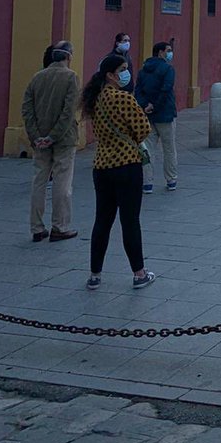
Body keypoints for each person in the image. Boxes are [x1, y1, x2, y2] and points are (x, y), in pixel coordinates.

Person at [81, 53, 155, 290]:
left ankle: (95, 275)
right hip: (127, 164)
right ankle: (139, 272)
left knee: (102, 221)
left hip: (102, 165)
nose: (126, 73)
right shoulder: (123, 98)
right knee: (130, 220)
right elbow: (143, 129)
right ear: (111, 75)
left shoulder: (95, 99)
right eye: (122, 69)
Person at [21, 42, 80, 243]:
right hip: (63, 139)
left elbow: (27, 110)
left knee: (39, 180)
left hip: (39, 139)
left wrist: (36, 136)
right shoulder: (71, 77)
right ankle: (60, 226)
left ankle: (36, 227)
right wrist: (54, 136)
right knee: (62, 181)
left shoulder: (37, 77)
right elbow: (68, 110)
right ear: (69, 57)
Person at [135, 42, 178, 193]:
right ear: (160, 52)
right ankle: (171, 179)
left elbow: (138, 91)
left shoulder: (143, 71)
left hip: (147, 115)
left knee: (147, 149)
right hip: (165, 113)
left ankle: (147, 182)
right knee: (169, 149)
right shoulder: (168, 69)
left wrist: (145, 105)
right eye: (168, 50)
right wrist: (155, 105)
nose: (170, 53)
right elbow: (166, 89)